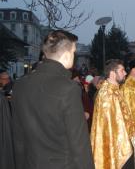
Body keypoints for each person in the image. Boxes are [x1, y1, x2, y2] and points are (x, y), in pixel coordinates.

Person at [12, 30, 94, 169]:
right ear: (67, 55)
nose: (74, 56)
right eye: (74, 52)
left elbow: (18, 139)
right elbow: (80, 146)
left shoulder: (20, 85)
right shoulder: (69, 88)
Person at [90, 59, 134, 169]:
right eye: (122, 70)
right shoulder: (107, 94)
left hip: (123, 141)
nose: (125, 73)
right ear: (112, 73)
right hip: (116, 146)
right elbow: (109, 129)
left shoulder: (115, 90)